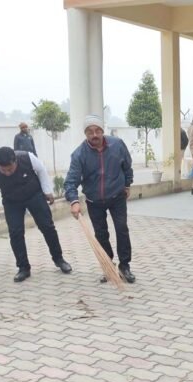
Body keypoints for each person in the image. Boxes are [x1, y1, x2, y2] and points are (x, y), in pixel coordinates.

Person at [0, 147, 72, 282]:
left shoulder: (27, 157)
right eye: (4, 170)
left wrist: (47, 190)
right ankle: (23, 268)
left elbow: (42, 170)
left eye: (10, 169)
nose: (8, 173)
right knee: (15, 233)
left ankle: (59, 259)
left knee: (47, 227)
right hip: (12, 202)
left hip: (34, 195)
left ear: (15, 161)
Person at [64, 115, 136, 283]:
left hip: (117, 196)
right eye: (90, 132)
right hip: (94, 200)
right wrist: (74, 201)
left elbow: (127, 166)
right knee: (101, 234)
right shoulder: (79, 154)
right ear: (85, 134)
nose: (94, 135)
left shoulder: (117, 145)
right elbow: (71, 180)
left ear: (103, 131)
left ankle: (125, 266)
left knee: (122, 229)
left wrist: (127, 184)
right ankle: (108, 265)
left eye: (97, 131)